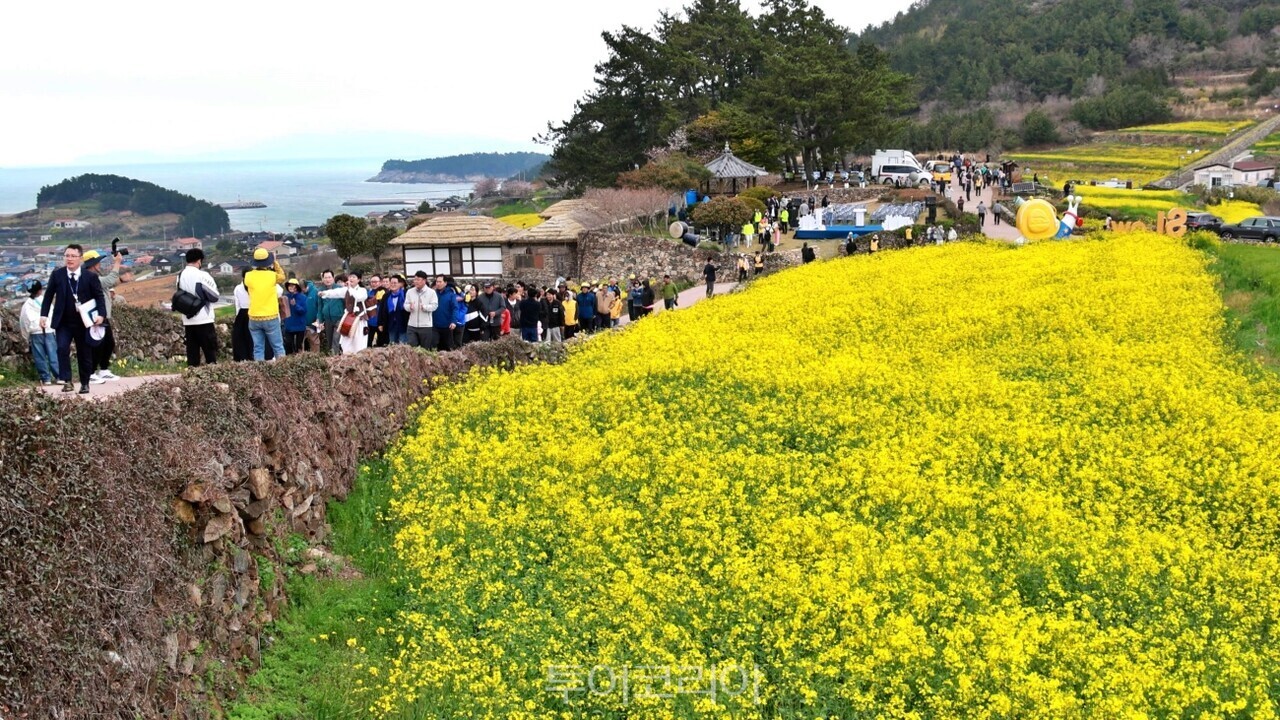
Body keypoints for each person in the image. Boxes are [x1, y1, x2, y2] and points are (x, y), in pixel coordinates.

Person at [39, 243, 106, 394]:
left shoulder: (91, 277)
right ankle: (67, 380)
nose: (69, 259)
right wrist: (43, 315)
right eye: (67, 256)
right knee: (62, 348)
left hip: (84, 322)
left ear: (80, 258)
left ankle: (84, 383)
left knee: (84, 352)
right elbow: (48, 296)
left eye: (73, 256)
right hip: (63, 321)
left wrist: (101, 315)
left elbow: (99, 297)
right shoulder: (57, 275)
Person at [81, 250, 122, 382]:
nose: (100, 265)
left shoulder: (93, 276)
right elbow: (109, 280)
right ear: (93, 264)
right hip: (97, 316)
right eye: (98, 262)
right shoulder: (92, 277)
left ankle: (103, 369)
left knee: (108, 343)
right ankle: (91, 372)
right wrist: (117, 263)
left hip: (102, 315)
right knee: (97, 345)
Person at [177, 248, 220, 367]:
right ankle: (212, 379)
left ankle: (192, 379)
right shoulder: (202, 275)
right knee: (210, 353)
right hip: (204, 319)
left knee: (192, 355)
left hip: (188, 319)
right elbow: (214, 296)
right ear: (199, 261)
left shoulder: (180, 275)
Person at [244, 248, 286, 361]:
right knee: (278, 347)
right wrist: (275, 262)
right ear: (268, 261)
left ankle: (259, 375)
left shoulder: (248, 276)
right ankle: (284, 371)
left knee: (258, 348)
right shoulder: (272, 276)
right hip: (270, 316)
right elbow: (282, 276)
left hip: (254, 317)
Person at [319, 271, 371, 354]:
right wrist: (325, 293)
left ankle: (359, 360)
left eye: (354, 277)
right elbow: (336, 292)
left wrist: (349, 288)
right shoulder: (346, 290)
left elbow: (358, 297)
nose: (351, 278)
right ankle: (347, 359)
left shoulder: (362, 290)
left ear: (359, 280)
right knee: (346, 343)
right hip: (348, 320)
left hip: (359, 320)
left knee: (358, 343)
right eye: (350, 277)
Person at [20, 281, 59, 384]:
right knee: (53, 355)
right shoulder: (46, 302)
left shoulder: (26, 305)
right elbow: (52, 315)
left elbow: (24, 322)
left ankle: (46, 378)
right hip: (49, 331)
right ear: (40, 290)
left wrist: (26, 336)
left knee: (39, 357)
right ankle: (59, 376)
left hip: (35, 333)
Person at [404, 271, 438, 349]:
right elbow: (405, 305)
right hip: (412, 325)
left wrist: (425, 307)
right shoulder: (410, 292)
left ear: (424, 280)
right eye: (415, 279)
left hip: (426, 326)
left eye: (418, 279)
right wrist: (409, 307)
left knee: (425, 349)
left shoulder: (431, 292)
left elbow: (435, 306)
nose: (416, 281)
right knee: (412, 348)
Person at [317, 270, 345, 354]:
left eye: (329, 277)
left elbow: (345, 303)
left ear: (333, 278)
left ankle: (335, 359)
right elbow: (320, 306)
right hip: (328, 320)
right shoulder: (320, 291)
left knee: (335, 341)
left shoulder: (340, 289)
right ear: (323, 279)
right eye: (325, 278)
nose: (327, 279)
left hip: (339, 319)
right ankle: (335, 357)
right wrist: (320, 320)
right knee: (329, 342)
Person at [281, 279, 310, 354]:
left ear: (297, 287)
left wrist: (295, 305)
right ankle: (289, 362)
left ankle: (299, 361)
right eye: (289, 285)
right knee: (288, 345)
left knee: (299, 347)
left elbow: (304, 311)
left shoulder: (303, 297)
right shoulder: (285, 297)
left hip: (300, 326)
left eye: (292, 285)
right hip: (289, 325)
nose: (290, 287)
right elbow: (282, 311)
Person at [232, 269, 253, 362]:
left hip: (242, 314)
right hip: (249, 313)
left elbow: (237, 305)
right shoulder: (241, 288)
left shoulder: (238, 288)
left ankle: (243, 358)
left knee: (241, 337)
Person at [383, 275, 408, 345]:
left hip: (403, 324)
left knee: (403, 345)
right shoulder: (386, 296)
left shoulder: (406, 294)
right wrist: (381, 323)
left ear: (400, 284)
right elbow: (382, 310)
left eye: (395, 283)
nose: (393, 285)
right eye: (391, 283)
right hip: (391, 324)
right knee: (392, 344)